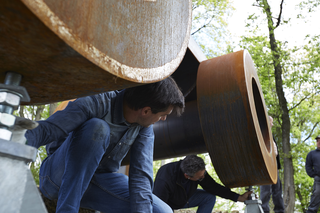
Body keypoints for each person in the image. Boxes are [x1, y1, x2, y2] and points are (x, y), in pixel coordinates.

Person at [25, 76, 185, 213]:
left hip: (98, 182)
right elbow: (48, 130)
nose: (163, 119)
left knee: (161, 210)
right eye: (163, 115)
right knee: (97, 128)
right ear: (146, 111)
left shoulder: (144, 128)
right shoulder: (97, 102)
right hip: (58, 177)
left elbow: (141, 176)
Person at [153, 155, 252, 213]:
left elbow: (213, 187)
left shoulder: (198, 170)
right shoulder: (165, 178)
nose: (203, 178)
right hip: (167, 203)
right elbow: (159, 206)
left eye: (204, 174)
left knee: (209, 197)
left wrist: (238, 197)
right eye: (200, 178)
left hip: (185, 198)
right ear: (187, 176)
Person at [260, 116, 285, 213]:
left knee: (278, 192)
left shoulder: (271, 135)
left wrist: (278, 167)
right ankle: (264, 211)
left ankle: (280, 211)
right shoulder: (262, 133)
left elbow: (275, 154)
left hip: (275, 169)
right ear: (267, 121)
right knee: (266, 192)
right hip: (266, 168)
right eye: (271, 122)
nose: (272, 124)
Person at [305, 135, 320, 213]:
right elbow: (308, 166)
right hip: (318, 179)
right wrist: (314, 175)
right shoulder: (312, 154)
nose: (319, 142)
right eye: (317, 140)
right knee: (316, 194)